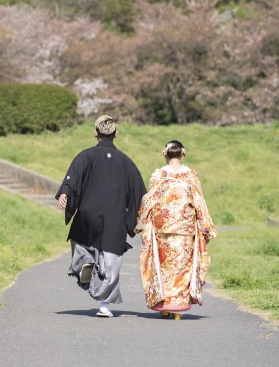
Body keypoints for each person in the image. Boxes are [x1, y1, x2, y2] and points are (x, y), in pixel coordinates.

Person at [55, 115, 147, 317]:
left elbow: (73, 178)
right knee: (111, 262)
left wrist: (65, 193)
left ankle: (84, 263)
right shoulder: (126, 162)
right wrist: (139, 218)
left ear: (95, 132)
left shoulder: (85, 156)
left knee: (81, 245)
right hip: (115, 218)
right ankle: (104, 305)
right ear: (115, 134)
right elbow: (140, 192)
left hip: (89, 213)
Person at [135, 140, 217, 320]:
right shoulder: (191, 175)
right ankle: (177, 308)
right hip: (185, 230)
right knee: (181, 267)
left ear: (165, 154)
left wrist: (141, 223)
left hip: (162, 229)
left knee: (163, 267)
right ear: (183, 153)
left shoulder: (158, 175)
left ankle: (164, 305)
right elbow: (199, 203)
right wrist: (205, 227)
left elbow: (148, 201)